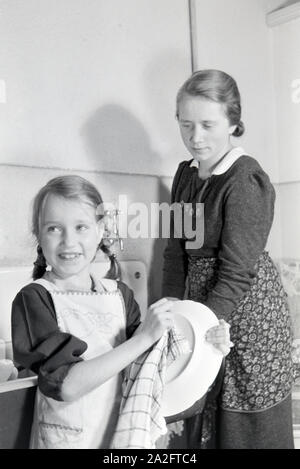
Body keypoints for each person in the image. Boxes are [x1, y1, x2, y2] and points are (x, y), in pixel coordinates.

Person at [11, 174, 232, 449]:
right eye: (54, 228)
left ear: (101, 230)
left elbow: (153, 368)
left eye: (81, 227)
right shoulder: (35, 298)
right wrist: (142, 338)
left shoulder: (119, 295)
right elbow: (66, 385)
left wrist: (207, 346)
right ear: (39, 235)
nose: (68, 241)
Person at [162, 70, 295, 449]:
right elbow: (175, 251)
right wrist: (171, 310)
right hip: (200, 308)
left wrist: (203, 326)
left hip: (246, 312)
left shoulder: (245, 179)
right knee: (198, 400)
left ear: (233, 121)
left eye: (207, 124)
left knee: (242, 418)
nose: (195, 137)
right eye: (186, 124)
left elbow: (238, 271)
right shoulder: (184, 175)